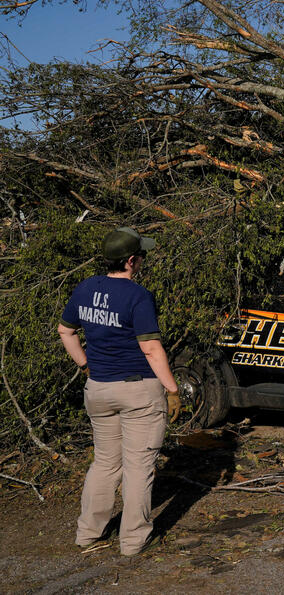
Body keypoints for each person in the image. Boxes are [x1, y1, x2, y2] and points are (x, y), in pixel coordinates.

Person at [57, 226, 181, 556]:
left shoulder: (85, 288)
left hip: (98, 389)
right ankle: (133, 542)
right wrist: (172, 390)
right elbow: (152, 349)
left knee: (105, 464)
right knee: (138, 467)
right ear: (130, 261)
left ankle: (88, 534)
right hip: (138, 391)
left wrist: (85, 366)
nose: (143, 260)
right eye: (141, 256)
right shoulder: (138, 296)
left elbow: (65, 331)